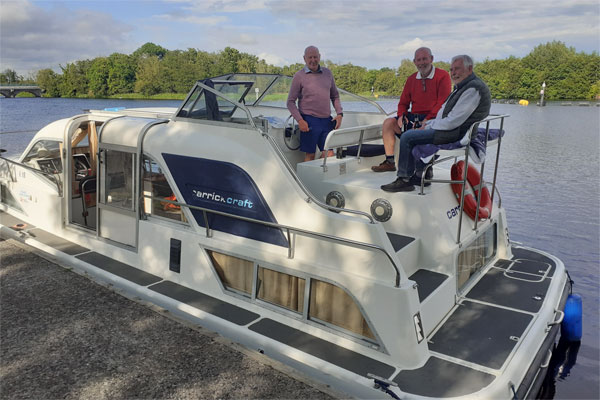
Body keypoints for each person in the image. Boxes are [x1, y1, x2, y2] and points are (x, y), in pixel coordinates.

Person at [381, 54, 491, 192]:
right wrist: (425, 123)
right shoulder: (463, 86)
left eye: (457, 69)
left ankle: (404, 179)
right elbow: (444, 111)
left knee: (407, 137)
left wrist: (428, 125)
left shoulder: (473, 89)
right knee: (406, 131)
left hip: (457, 133)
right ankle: (420, 174)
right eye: (452, 69)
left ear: (469, 69)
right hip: (452, 128)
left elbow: (453, 121)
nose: (453, 73)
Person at [372, 47, 451, 172]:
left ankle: (424, 169)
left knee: (421, 133)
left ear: (431, 59)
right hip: (413, 118)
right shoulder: (411, 79)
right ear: (414, 62)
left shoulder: (443, 76)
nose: (421, 62)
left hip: (433, 119)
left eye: (424, 59)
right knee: (388, 123)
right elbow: (403, 102)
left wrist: (427, 119)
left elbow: (443, 103)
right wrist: (401, 116)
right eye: (418, 60)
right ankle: (390, 162)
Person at [287, 46, 343, 161]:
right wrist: (300, 120)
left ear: (319, 57)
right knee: (310, 155)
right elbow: (290, 102)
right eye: (310, 57)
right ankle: (306, 179)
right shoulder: (299, 76)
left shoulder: (328, 73)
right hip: (309, 121)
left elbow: (335, 96)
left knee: (330, 155)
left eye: (315, 57)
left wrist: (339, 113)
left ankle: (326, 178)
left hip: (327, 120)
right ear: (304, 59)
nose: (313, 60)